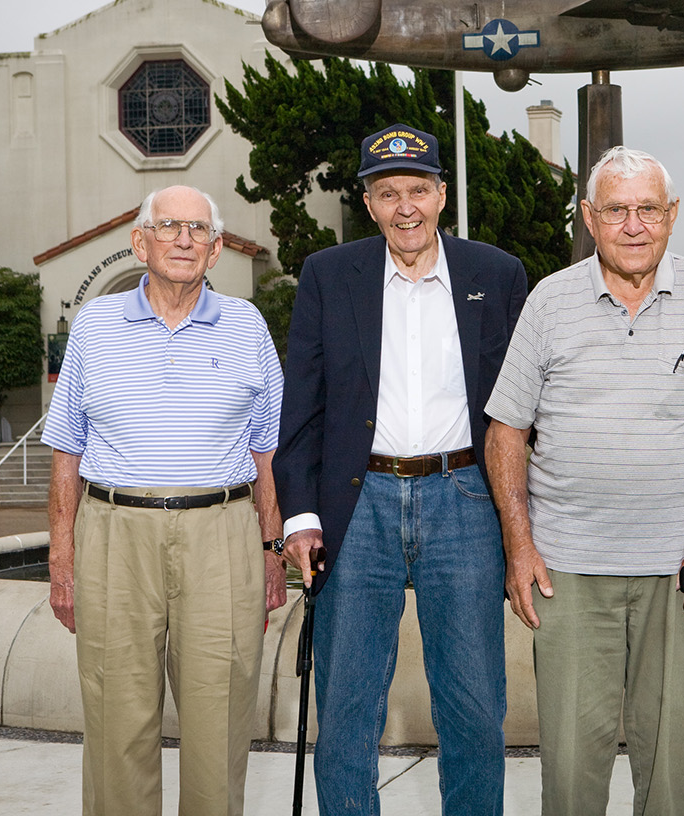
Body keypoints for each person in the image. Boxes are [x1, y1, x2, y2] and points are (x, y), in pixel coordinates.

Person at [485, 145, 684, 816]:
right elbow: (505, 433)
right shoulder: (550, 301)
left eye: (648, 209)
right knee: (571, 772)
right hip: (569, 572)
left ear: (672, 214)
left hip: (679, 571)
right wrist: (520, 547)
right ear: (589, 218)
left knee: (669, 769)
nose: (633, 225)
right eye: (616, 210)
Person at [274, 124, 527, 816]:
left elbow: (523, 409)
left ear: (442, 194)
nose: (405, 206)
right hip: (359, 507)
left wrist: (523, 524)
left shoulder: (496, 274)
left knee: (475, 706)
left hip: (464, 498)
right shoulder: (329, 275)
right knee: (347, 709)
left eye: (418, 189)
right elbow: (302, 406)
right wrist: (301, 517)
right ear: (368, 203)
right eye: (388, 193)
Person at [44, 185, 287, 816]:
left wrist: (271, 551)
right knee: (115, 726)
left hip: (222, 535)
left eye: (199, 229)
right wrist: (62, 558)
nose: (184, 239)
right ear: (140, 242)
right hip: (114, 536)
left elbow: (267, 452)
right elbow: (66, 450)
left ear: (215, 249)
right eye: (169, 226)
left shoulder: (247, 327)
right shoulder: (94, 324)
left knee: (220, 723)